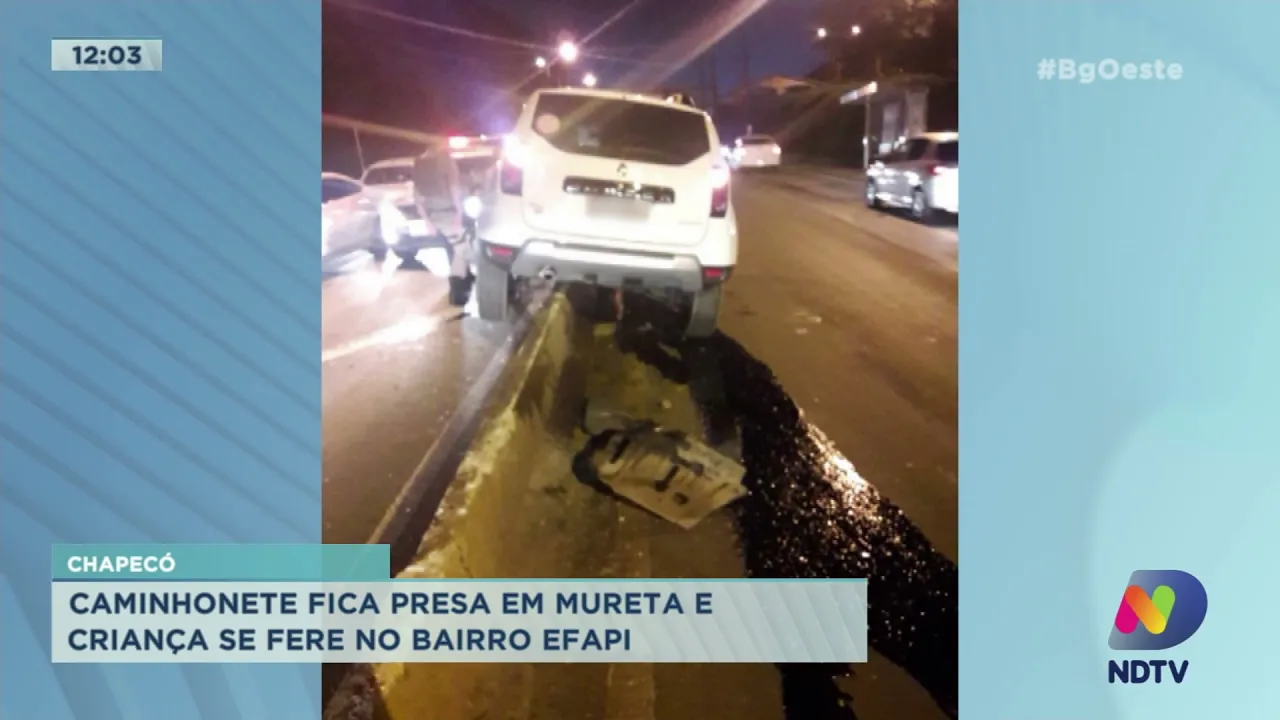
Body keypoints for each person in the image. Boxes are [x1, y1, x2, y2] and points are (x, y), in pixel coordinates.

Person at [412, 140, 473, 306]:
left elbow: (417, 195)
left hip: (433, 216)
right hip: (448, 213)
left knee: (451, 251)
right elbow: (454, 188)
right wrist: (459, 213)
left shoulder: (419, 163)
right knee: (462, 251)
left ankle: (463, 286)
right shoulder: (445, 160)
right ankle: (458, 293)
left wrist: (427, 221)